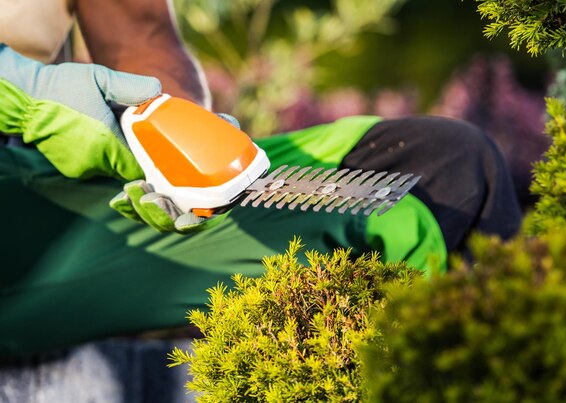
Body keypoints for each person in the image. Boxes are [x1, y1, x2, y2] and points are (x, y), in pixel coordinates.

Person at [0, 0, 522, 356]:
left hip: (48, 177)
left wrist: (174, 130)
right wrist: (24, 91)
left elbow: (139, 31)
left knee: (443, 172)